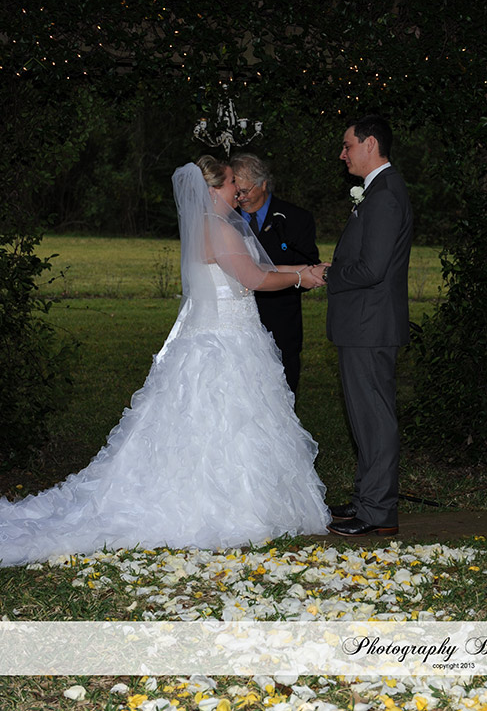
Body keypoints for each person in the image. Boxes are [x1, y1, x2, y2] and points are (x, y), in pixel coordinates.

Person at [0, 157, 330, 567]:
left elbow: (260, 267)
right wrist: (300, 279)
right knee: (226, 423)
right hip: (224, 344)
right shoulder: (219, 228)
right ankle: (225, 508)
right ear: (213, 190)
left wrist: (307, 269)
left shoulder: (212, 226)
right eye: (232, 183)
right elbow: (255, 279)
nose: (238, 190)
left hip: (231, 336)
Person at [316, 115, 413, 537]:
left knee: (374, 418)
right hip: (363, 324)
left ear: (370, 144)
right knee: (364, 417)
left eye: (347, 146)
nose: (343, 155)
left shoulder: (385, 195)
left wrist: (330, 274)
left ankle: (377, 512)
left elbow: (373, 269)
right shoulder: (377, 191)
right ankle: (365, 499)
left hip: (370, 325)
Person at [230, 153, 319, 394]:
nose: (240, 198)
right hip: (236, 326)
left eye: (245, 191)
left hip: (281, 323)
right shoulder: (225, 220)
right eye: (236, 192)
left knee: (281, 397)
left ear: (263, 184)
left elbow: (308, 265)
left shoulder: (297, 218)